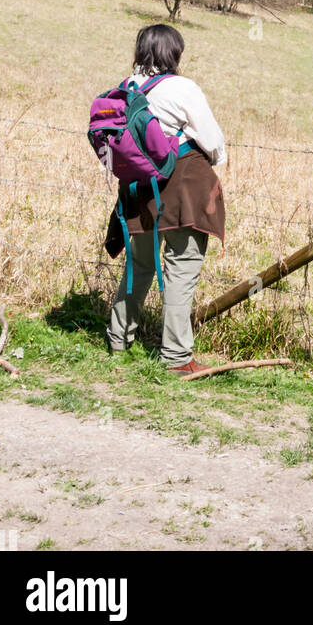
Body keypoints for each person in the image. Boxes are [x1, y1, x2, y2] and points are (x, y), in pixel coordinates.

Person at [104, 24, 226, 376]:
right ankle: (176, 357)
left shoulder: (126, 88)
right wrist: (214, 158)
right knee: (182, 270)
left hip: (138, 191)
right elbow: (212, 140)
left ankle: (117, 338)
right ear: (173, 53)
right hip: (182, 189)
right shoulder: (182, 87)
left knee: (139, 267)